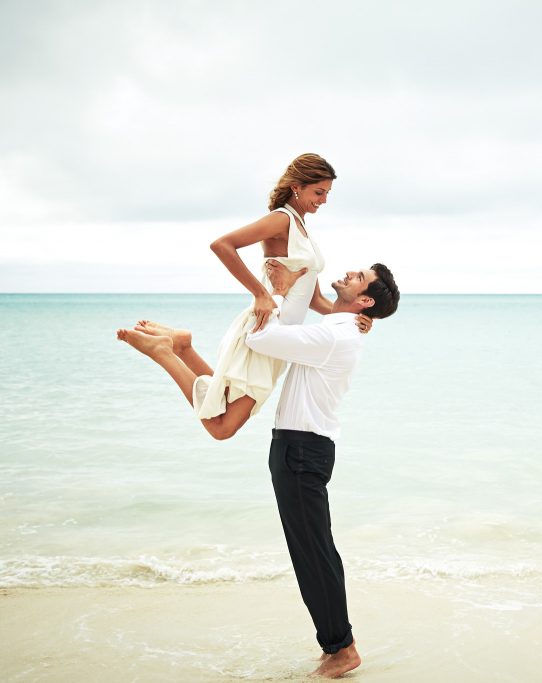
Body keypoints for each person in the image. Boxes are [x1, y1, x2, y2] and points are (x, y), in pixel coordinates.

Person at [117, 260, 400, 679]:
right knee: (316, 553)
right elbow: (316, 303)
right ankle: (336, 644)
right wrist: (293, 285)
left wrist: (278, 291)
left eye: (358, 277)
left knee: (315, 556)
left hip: (302, 453)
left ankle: (342, 649)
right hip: (301, 450)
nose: (349, 272)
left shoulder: (334, 335)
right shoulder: (340, 328)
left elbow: (260, 337)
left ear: (364, 300)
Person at [120, 153, 369, 440]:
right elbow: (222, 245)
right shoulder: (281, 220)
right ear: (296, 187)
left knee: (225, 399)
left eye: (327, 193)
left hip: (280, 338)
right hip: (266, 326)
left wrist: (357, 318)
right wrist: (261, 294)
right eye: (319, 192)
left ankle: (184, 346)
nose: (324, 200)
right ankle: (165, 351)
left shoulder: (303, 229)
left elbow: (315, 301)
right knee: (223, 427)